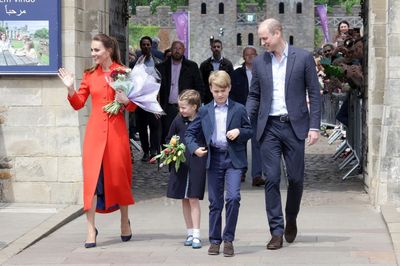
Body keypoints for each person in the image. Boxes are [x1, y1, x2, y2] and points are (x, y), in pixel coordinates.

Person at [246, 18, 321, 250]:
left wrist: (315, 126)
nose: (262, 42)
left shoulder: (303, 58)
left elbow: (315, 94)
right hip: (268, 128)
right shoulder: (260, 62)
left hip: (295, 126)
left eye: (265, 38)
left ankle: (291, 218)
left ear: (277, 33)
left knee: (296, 179)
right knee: (271, 179)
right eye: (261, 39)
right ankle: (276, 231)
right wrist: (245, 117)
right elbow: (254, 95)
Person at [57, 33, 135, 248]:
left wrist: (126, 100)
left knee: (120, 178)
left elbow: (133, 106)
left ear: (108, 51)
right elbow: (78, 103)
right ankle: (90, 229)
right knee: (91, 182)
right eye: (91, 50)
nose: (93, 54)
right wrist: (71, 88)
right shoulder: (90, 75)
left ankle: (124, 221)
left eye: (96, 50)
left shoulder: (123, 73)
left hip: (116, 133)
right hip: (94, 135)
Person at [185, 70, 252, 257]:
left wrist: (239, 131)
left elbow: (249, 130)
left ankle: (228, 238)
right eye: (216, 91)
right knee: (215, 202)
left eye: (223, 90)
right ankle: (215, 240)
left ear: (229, 89)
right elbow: (189, 133)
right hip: (214, 158)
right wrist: (194, 148)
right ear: (211, 90)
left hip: (233, 159)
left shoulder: (238, 109)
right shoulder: (205, 110)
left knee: (233, 198)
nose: (220, 94)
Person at [166, 89, 206, 249]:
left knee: (194, 198)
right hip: (181, 164)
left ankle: (197, 234)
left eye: (184, 107)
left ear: (195, 106)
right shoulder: (177, 120)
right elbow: (169, 138)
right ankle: (189, 232)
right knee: (184, 198)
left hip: (196, 163)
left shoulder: (203, 119)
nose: (181, 110)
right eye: (180, 107)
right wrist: (172, 148)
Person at [156, 40, 204, 145]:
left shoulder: (192, 66)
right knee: (166, 137)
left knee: (185, 136)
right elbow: (154, 90)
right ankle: (167, 160)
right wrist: (155, 107)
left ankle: (185, 160)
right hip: (167, 108)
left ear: (184, 50)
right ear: (171, 50)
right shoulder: (161, 67)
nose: (177, 51)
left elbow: (199, 87)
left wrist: (196, 107)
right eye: (175, 48)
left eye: (179, 48)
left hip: (187, 108)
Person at [230, 46, 265, 187]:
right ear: (243, 57)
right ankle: (241, 171)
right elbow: (231, 93)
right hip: (241, 111)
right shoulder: (236, 73)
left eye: (253, 54)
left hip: (258, 112)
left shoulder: (263, 72)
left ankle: (257, 175)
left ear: (257, 56)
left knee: (258, 143)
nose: (250, 57)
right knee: (240, 143)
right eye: (247, 55)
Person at [131, 36, 162, 162]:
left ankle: (154, 150)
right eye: (144, 44)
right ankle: (146, 151)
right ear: (140, 46)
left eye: (148, 44)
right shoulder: (135, 64)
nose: (146, 47)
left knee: (155, 126)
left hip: (153, 99)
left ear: (151, 45)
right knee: (142, 127)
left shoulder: (158, 62)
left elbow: (161, 82)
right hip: (140, 101)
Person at [199, 39, 234, 104]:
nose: (216, 49)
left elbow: (232, 81)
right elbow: (201, 82)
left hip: (223, 95)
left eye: (218, 47)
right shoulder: (204, 64)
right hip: (209, 97)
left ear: (221, 48)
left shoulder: (228, 64)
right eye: (214, 47)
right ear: (211, 49)